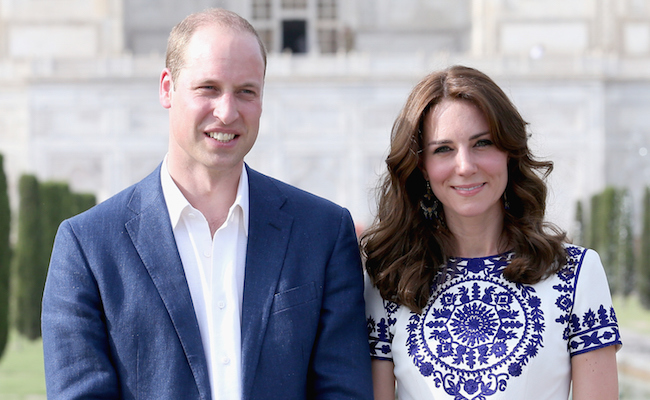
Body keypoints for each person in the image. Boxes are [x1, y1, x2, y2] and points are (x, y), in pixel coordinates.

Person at [41, 8, 373, 400]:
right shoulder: (88, 246)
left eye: (246, 91)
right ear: (167, 88)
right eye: (208, 88)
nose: (227, 112)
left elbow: (343, 391)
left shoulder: (322, 232)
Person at [361, 65, 621, 400]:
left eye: (482, 143)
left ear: (510, 152)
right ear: (421, 166)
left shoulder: (576, 274)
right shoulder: (388, 281)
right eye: (443, 149)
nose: (466, 166)